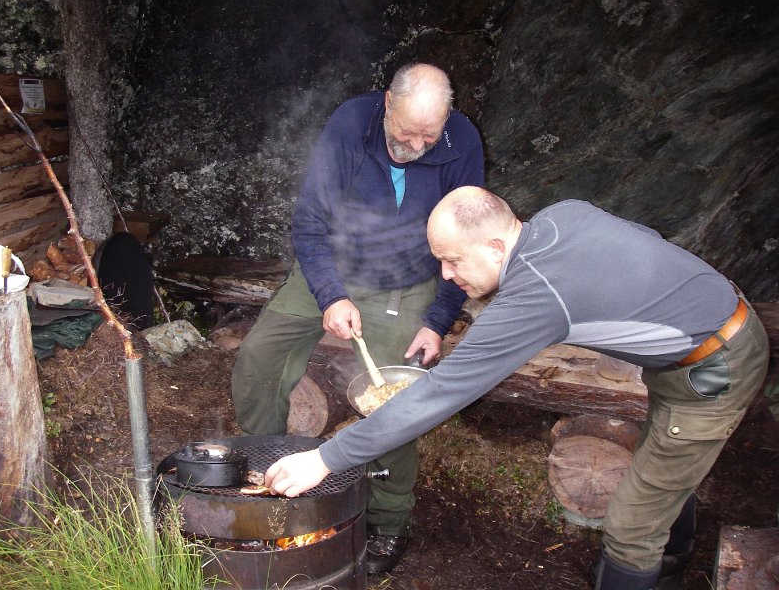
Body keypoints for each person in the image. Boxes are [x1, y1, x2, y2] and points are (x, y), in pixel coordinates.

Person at [265, 187, 770, 590]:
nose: (446, 274)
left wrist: (327, 458)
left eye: (452, 261)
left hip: (713, 365)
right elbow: (644, 236)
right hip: (708, 327)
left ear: (495, 246)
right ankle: (672, 566)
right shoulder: (560, 214)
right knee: (663, 464)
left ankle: (648, 565)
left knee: (631, 526)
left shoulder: (535, 296)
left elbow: (443, 391)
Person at [231, 64, 484, 574]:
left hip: (404, 282)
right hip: (329, 269)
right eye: (408, 131)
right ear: (387, 102)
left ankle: (387, 522)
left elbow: (469, 245)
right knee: (259, 358)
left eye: (428, 135)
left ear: (447, 120)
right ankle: (269, 472)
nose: (416, 144)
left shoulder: (462, 142)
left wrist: (436, 320)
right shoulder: (350, 124)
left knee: (392, 401)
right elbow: (309, 224)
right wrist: (330, 295)